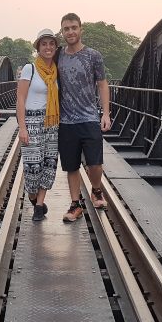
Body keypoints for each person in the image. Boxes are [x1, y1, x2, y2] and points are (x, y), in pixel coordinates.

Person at [57, 13, 111, 223]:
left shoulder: (93, 55)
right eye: (66, 29)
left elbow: (102, 84)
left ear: (81, 29)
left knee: (95, 163)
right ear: (62, 32)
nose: (70, 32)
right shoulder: (59, 55)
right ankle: (75, 204)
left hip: (89, 117)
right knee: (71, 166)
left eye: (74, 27)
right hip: (66, 120)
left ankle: (96, 190)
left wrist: (105, 113)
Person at [16, 29, 60, 222]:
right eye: (44, 44)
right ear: (38, 47)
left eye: (51, 43)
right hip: (32, 122)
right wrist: (22, 127)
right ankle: (33, 198)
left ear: (55, 47)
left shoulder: (57, 71)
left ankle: (39, 205)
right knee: (33, 168)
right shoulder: (30, 69)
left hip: (52, 123)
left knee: (49, 164)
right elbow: (20, 98)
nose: (48, 47)